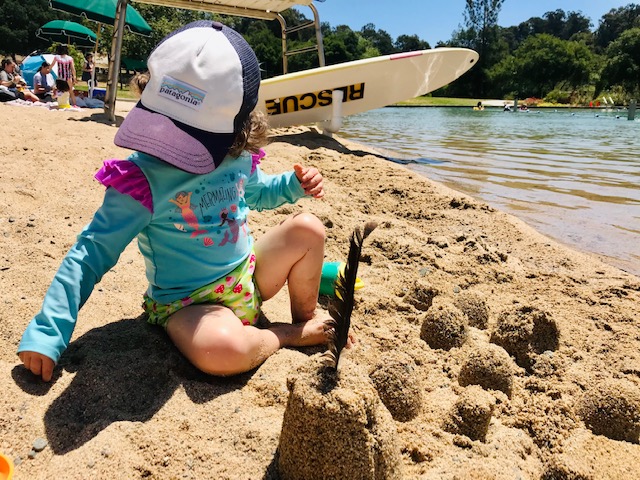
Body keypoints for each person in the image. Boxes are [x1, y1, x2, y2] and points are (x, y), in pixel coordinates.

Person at [18, 20, 339, 382]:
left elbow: (256, 193)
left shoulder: (234, 155)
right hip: (189, 304)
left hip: (249, 276)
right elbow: (90, 254)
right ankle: (286, 334)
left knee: (308, 228)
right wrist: (48, 333)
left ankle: (305, 319)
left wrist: (293, 185)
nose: (176, 150)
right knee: (221, 352)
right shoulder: (142, 180)